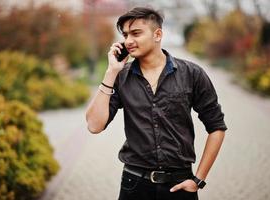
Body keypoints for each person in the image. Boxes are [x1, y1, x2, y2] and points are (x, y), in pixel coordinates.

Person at [85, 6, 227, 200]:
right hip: (134, 184)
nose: (128, 41)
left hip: (180, 185)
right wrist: (111, 72)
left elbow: (216, 127)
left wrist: (198, 179)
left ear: (157, 34)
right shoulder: (121, 77)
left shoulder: (192, 74)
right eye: (125, 35)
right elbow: (94, 125)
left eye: (136, 33)